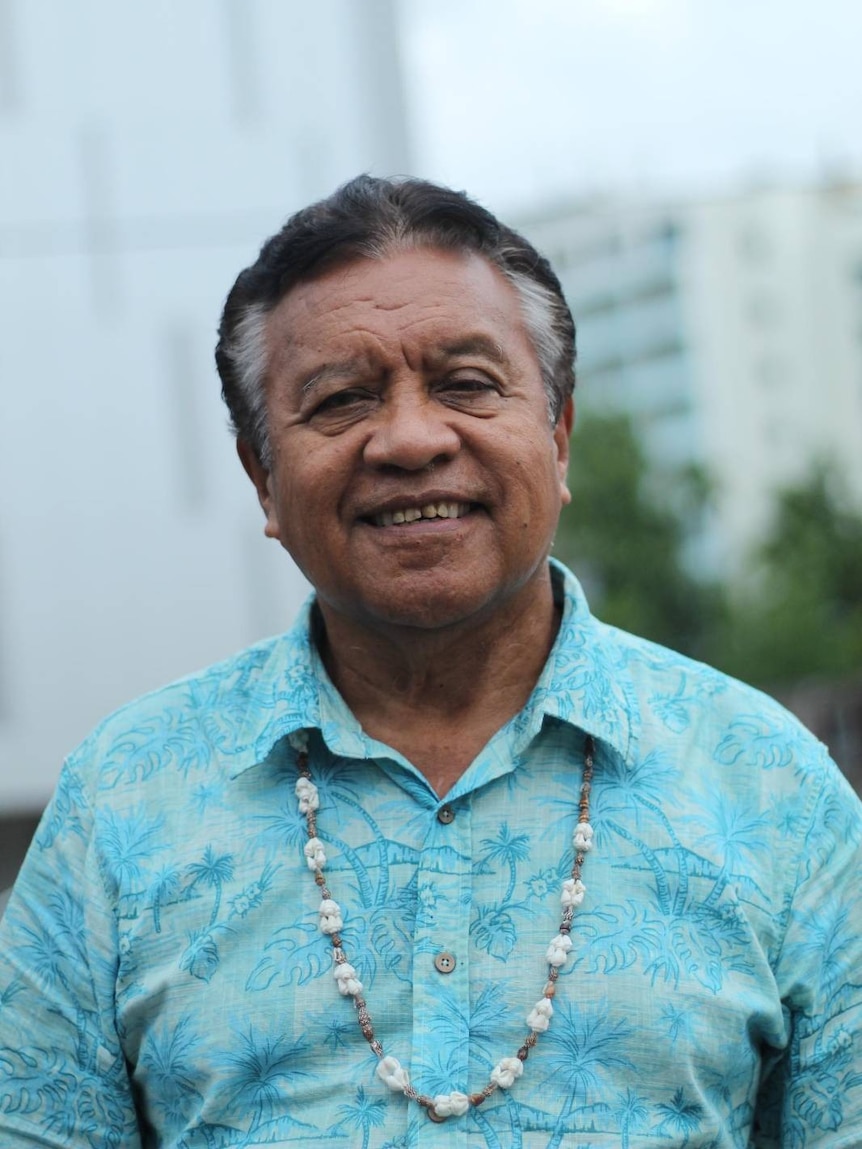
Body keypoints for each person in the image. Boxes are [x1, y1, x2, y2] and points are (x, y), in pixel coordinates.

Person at [0, 175, 860, 1149]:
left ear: (559, 435)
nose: (410, 438)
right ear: (261, 478)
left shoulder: (770, 786)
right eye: (340, 400)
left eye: (466, 384)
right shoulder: (122, 805)